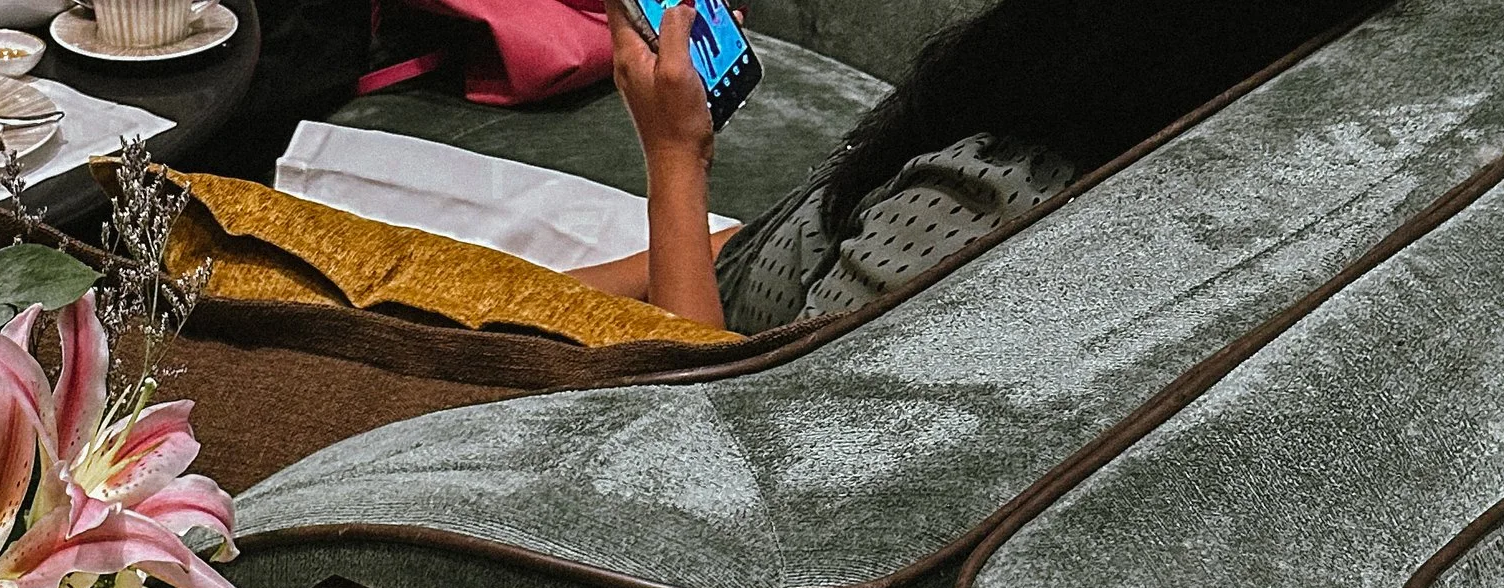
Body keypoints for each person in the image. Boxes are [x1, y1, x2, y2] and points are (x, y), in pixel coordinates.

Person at [581, 0, 1374, 333]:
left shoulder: (980, 204)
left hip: (675, 362)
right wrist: (553, 289)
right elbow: (801, 240)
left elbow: (706, 427)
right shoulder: (1074, 94)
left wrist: (676, 157)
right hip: (693, 288)